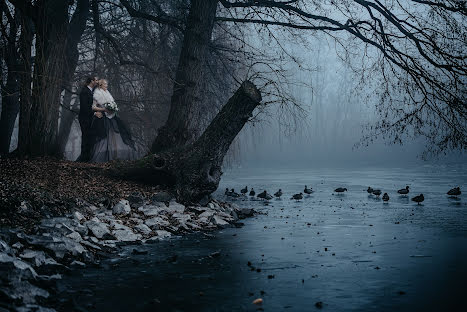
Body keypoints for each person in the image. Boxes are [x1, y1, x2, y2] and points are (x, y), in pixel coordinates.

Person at [89, 79, 136, 162]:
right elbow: (93, 107)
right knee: (104, 136)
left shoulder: (107, 93)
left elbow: (112, 104)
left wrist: (113, 108)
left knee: (115, 134)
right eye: (105, 84)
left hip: (112, 117)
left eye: (107, 84)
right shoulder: (96, 94)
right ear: (100, 85)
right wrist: (104, 109)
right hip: (102, 118)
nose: (106, 86)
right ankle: (103, 157)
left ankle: (115, 156)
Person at [77, 76, 98, 162]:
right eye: (96, 80)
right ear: (92, 81)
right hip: (85, 119)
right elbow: (85, 107)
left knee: (89, 138)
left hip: (89, 118)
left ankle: (87, 158)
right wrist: (95, 112)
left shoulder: (91, 91)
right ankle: (83, 159)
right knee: (85, 137)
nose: (97, 82)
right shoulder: (84, 91)